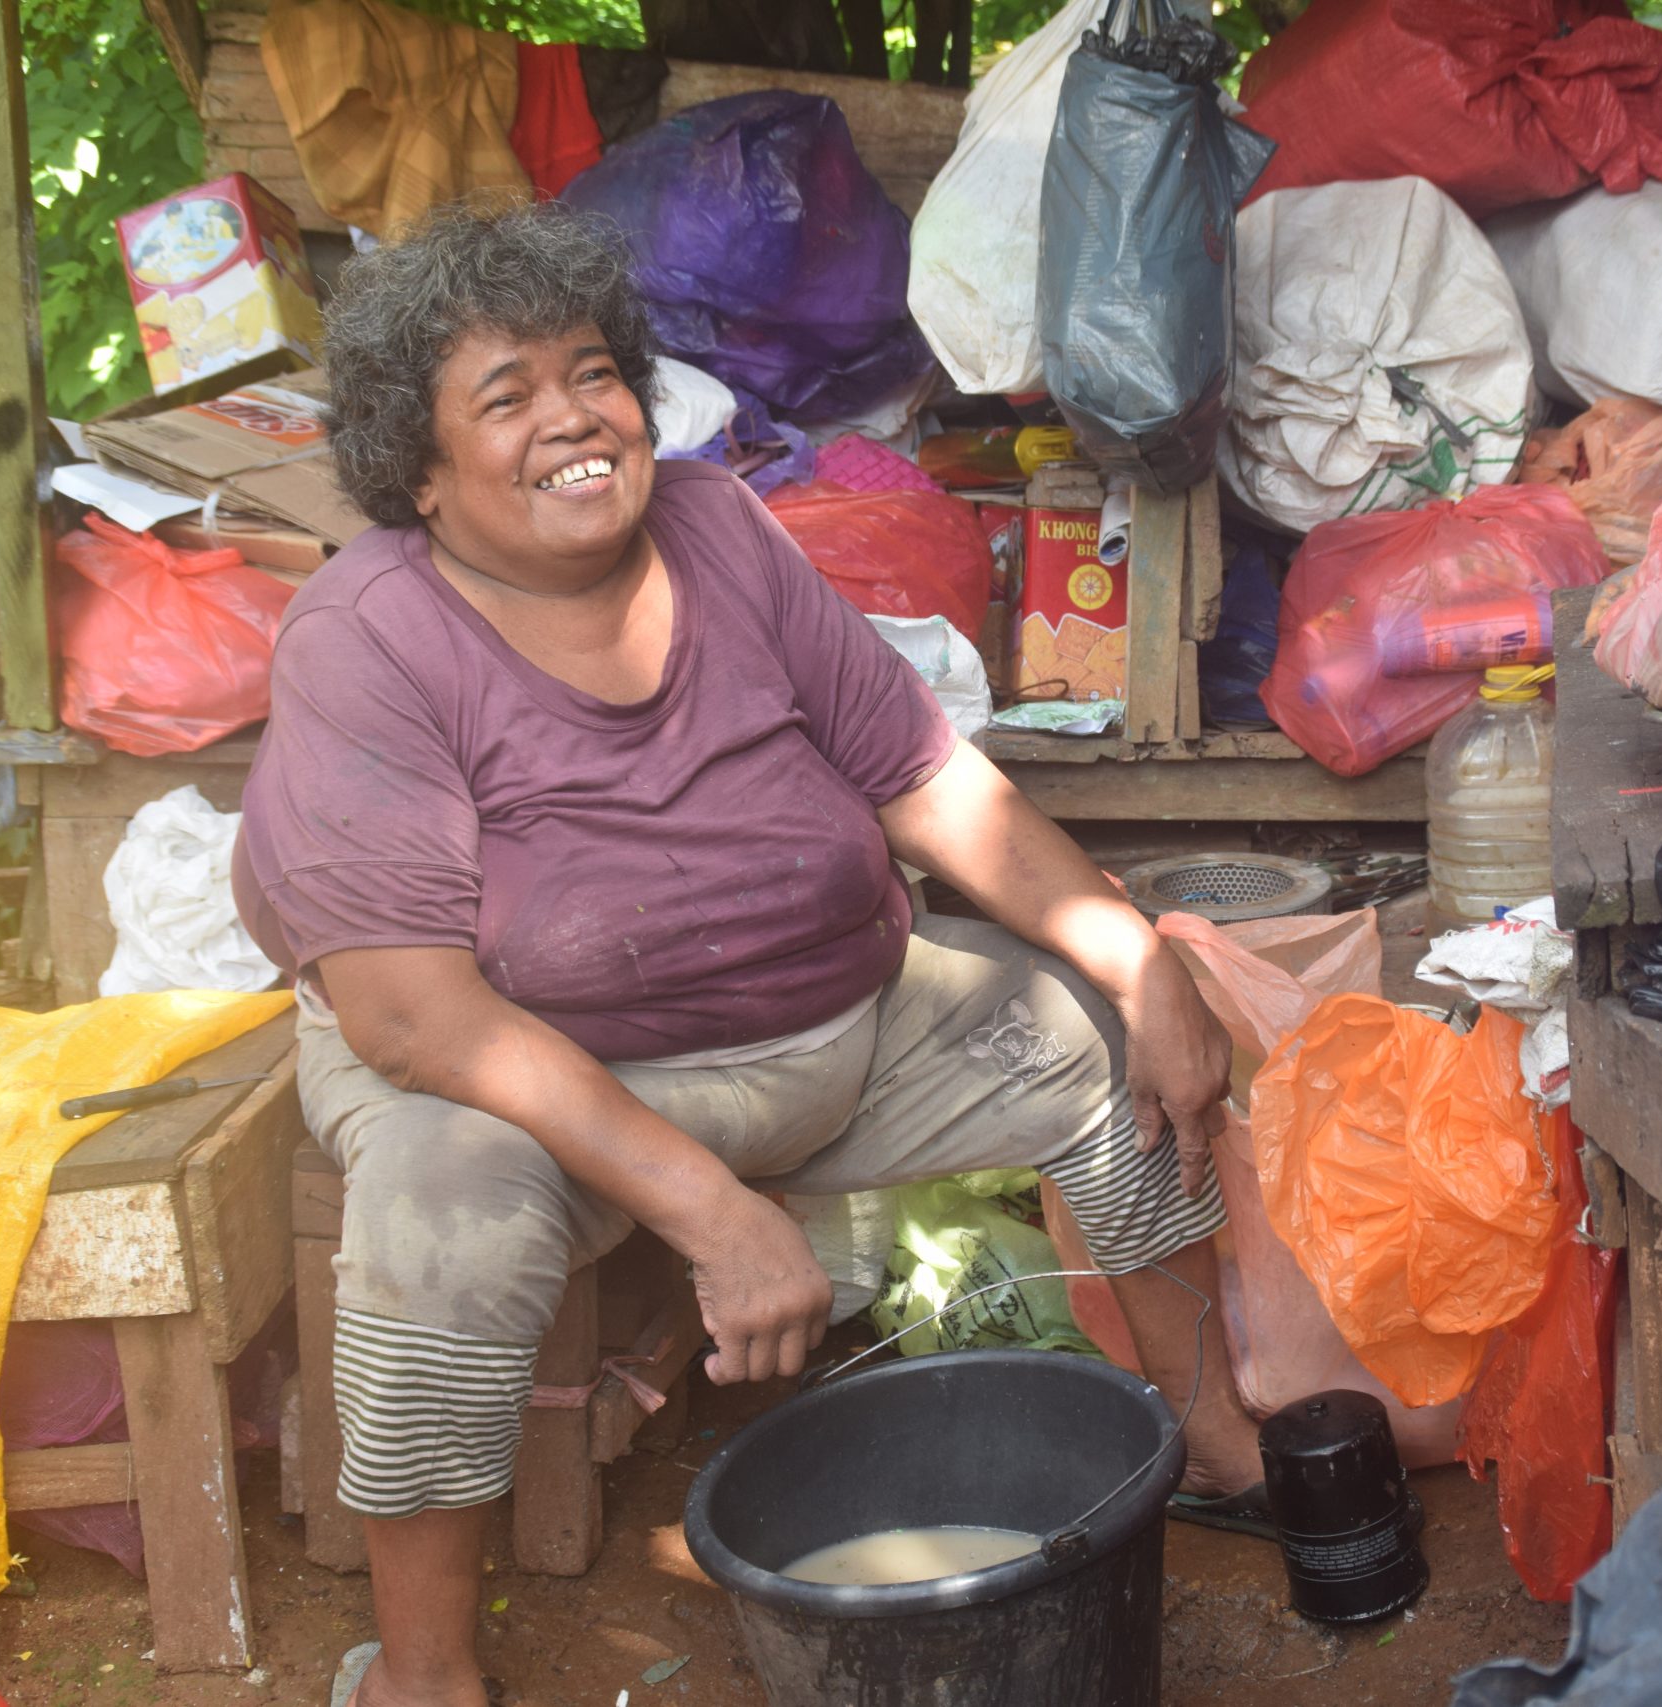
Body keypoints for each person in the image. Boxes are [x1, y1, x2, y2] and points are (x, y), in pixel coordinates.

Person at [232, 202, 1270, 1707]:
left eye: (592, 373)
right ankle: (424, 1671)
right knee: (436, 1221)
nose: (572, 419)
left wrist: (1143, 960)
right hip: (538, 1088)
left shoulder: (717, 528)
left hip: (840, 1030)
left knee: (1103, 1042)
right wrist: (714, 1214)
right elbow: (413, 1020)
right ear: (420, 471)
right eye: (506, 398)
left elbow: (925, 779)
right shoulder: (367, 638)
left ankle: (1221, 1443)